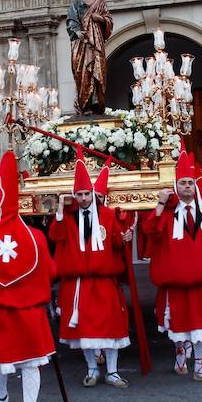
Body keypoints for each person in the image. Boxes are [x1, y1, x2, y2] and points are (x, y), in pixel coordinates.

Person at [0, 150, 55, 402]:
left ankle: (2, 398)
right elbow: (51, 273)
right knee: (31, 365)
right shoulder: (36, 237)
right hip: (30, 313)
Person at [144, 144, 202, 384]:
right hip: (177, 283)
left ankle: (200, 367)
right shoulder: (166, 213)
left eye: (190, 182)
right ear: (175, 186)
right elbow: (150, 231)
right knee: (180, 325)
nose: (187, 186)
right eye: (183, 182)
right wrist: (161, 204)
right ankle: (181, 353)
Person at [50, 151, 131, 388]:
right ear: (74, 195)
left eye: (87, 194)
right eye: (80, 194)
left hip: (104, 280)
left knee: (111, 326)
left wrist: (124, 236)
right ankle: (92, 369)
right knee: (83, 330)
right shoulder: (68, 217)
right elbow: (55, 236)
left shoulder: (107, 214)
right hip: (76, 283)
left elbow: (116, 242)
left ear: (93, 193)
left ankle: (113, 372)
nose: (84, 198)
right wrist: (60, 211)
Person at [67, 0, 113, 115]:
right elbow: (71, 22)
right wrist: (77, 32)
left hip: (96, 44)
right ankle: (85, 105)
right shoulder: (75, 5)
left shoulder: (101, 4)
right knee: (83, 73)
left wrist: (99, 18)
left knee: (97, 71)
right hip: (81, 45)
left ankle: (97, 103)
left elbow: (109, 21)